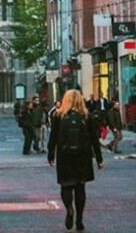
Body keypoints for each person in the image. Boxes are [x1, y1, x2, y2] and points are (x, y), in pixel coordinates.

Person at [47, 89, 104, 231]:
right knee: (80, 187)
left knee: (66, 185)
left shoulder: (58, 116)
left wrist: (50, 155)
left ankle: (69, 210)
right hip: (82, 155)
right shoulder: (86, 116)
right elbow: (94, 139)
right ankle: (79, 218)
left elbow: (53, 137)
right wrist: (99, 158)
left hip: (64, 154)